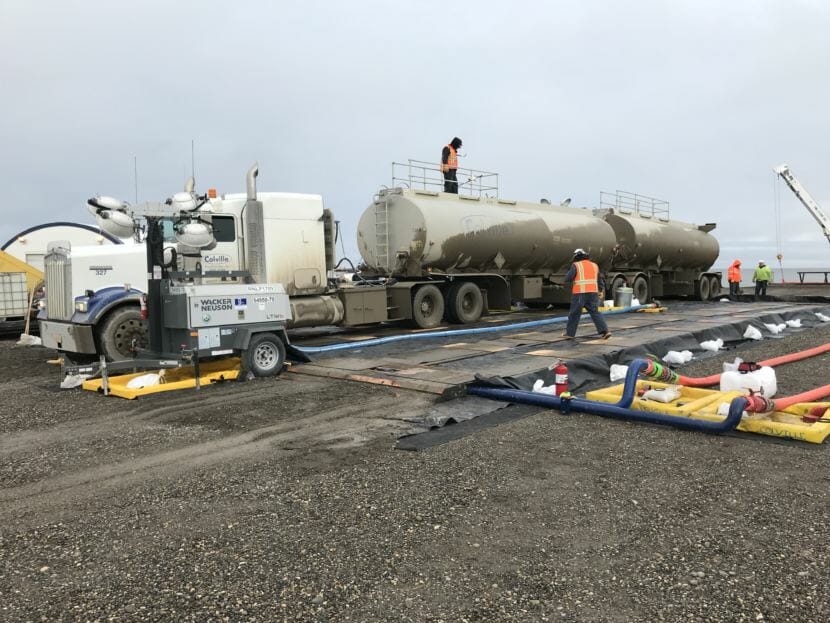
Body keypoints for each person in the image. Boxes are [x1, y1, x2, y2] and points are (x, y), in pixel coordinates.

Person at [562, 248, 611, 340]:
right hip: (593, 293)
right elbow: (599, 280)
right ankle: (605, 331)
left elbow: (568, 278)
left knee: (574, 313)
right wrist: (600, 290)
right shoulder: (594, 265)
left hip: (580, 293)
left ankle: (570, 334)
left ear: (577, 256)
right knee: (595, 312)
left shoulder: (576, 265)